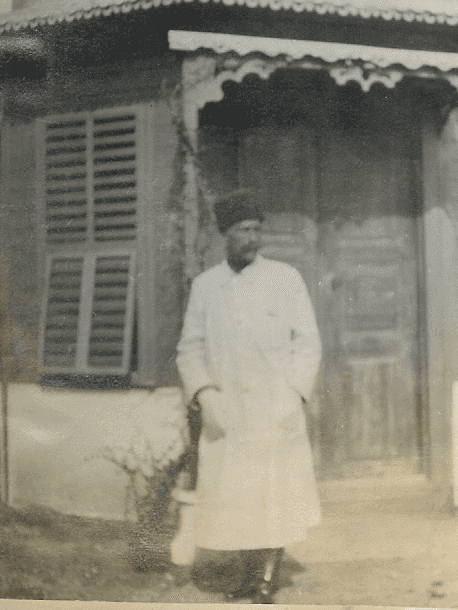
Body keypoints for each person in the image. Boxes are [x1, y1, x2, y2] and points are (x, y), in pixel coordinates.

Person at [176, 189, 322, 604]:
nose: (252, 238)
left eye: (257, 229)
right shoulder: (207, 286)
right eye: (243, 229)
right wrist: (204, 394)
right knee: (237, 495)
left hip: (276, 406)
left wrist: (293, 395)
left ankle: (266, 579)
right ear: (226, 234)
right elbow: (190, 347)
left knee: (273, 492)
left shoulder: (285, 279)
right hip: (227, 409)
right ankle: (246, 574)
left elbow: (308, 343)